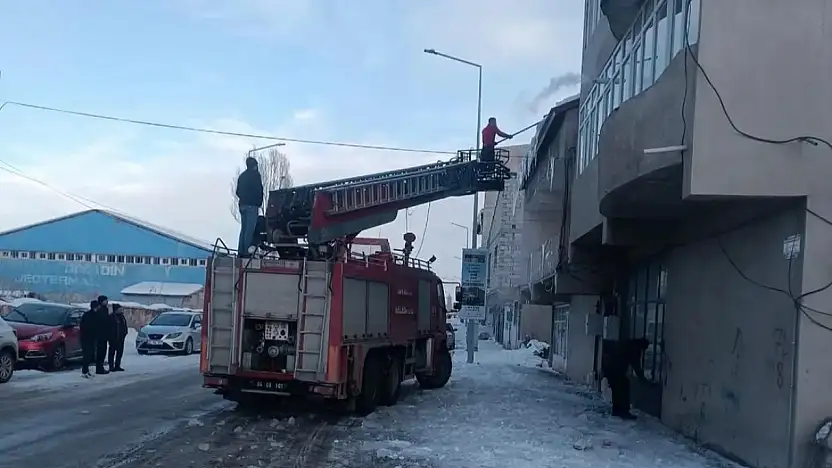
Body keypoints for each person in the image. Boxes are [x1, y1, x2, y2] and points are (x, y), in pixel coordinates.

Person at [601, 337, 650, 420]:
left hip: (610, 369)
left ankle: (617, 410)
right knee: (624, 387)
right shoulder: (634, 348)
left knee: (617, 390)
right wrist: (643, 379)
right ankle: (624, 412)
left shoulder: (628, 343)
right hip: (616, 371)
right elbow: (636, 365)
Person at [236, 156, 264, 257]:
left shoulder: (242, 176)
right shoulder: (256, 176)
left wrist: (244, 198)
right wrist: (258, 202)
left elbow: (237, 192)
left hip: (242, 205)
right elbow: (259, 190)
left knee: (243, 229)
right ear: (254, 166)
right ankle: (247, 252)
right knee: (250, 230)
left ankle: (240, 251)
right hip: (252, 206)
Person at [79, 299, 100, 378]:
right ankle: (84, 371)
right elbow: (85, 327)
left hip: (92, 338)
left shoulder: (95, 315)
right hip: (86, 338)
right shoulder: (87, 315)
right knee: (86, 355)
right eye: (97, 306)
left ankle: (86, 370)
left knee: (90, 354)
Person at [107, 303, 128, 372]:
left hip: (121, 338)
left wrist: (125, 333)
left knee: (119, 352)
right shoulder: (111, 317)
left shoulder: (122, 316)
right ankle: (111, 366)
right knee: (112, 352)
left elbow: (124, 326)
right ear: (116, 310)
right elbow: (109, 328)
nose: (121, 310)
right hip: (113, 338)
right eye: (119, 309)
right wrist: (110, 337)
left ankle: (117, 365)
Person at [94, 295, 111, 375]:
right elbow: (100, 323)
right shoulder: (100, 310)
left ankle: (100, 367)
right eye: (105, 300)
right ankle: (99, 368)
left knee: (103, 352)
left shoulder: (105, 309)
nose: (106, 302)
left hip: (105, 334)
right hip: (100, 335)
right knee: (100, 352)